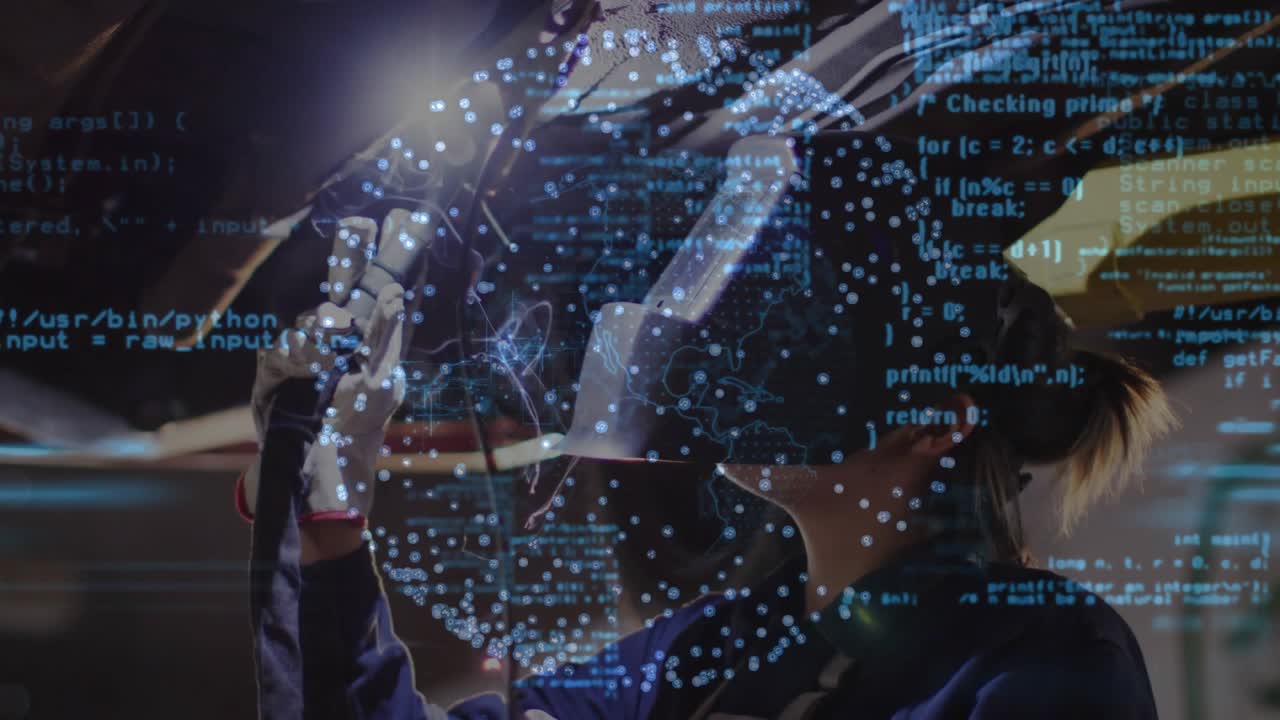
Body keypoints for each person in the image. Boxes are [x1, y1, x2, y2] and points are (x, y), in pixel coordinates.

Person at [237, 127, 1177, 719]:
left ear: (932, 419)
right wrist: (329, 530)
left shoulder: (1042, 655)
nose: (743, 362)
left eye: (804, 338)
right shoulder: (700, 654)